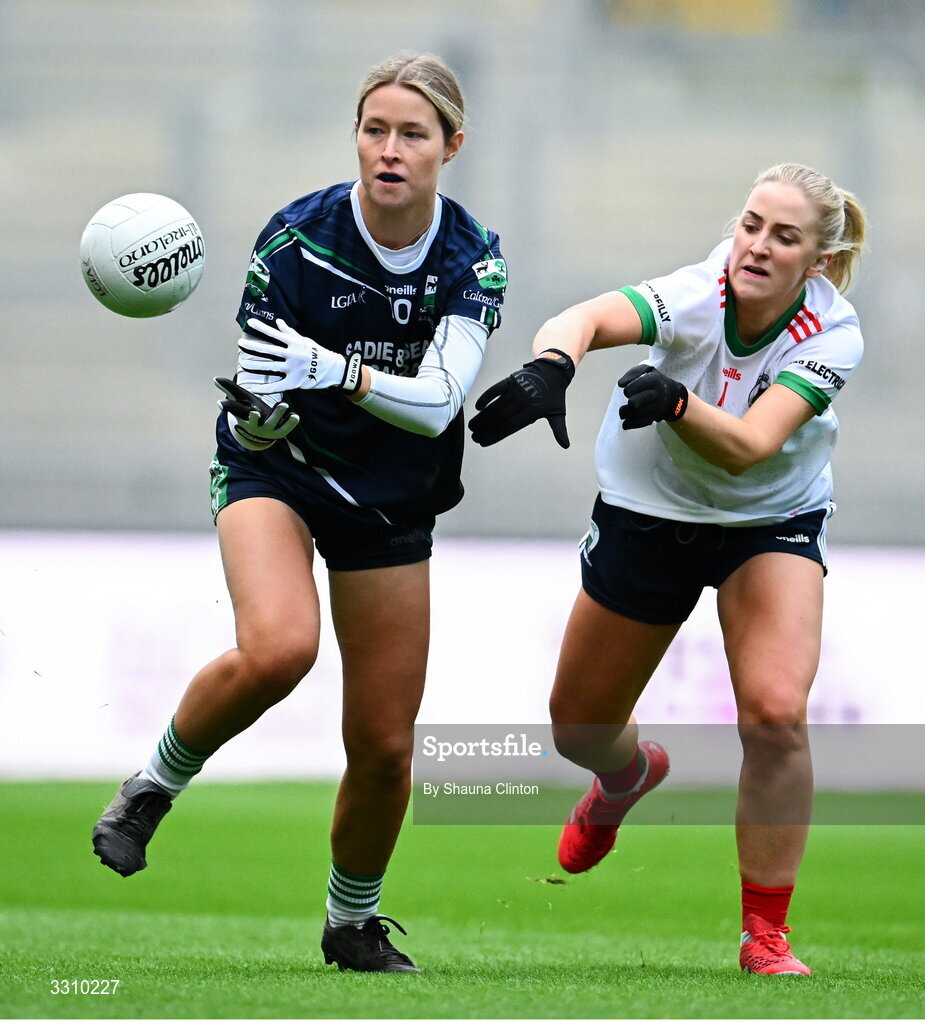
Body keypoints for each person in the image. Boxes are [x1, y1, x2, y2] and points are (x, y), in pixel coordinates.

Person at [92, 53, 507, 974]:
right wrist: (264, 406)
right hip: (278, 468)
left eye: (411, 134)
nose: (388, 150)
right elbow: (258, 383)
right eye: (374, 129)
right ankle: (152, 787)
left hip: (391, 494)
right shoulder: (295, 240)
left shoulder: (472, 256)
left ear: (451, 147)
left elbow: (441, 400)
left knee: (387, 745)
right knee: (280, 647)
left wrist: (337, 372)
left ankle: (350, 923)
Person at [469, 163, 866, 976]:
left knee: (775, 715)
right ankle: (624, 777)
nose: (755, 245)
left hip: (769, 520)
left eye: (782, 236)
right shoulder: (695, 293)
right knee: (578, 729)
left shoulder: (834, 333)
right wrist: (553, 366)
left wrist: (680, 405)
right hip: (648, 517)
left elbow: (751, 447)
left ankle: (765, 935)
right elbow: (581, 316)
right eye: (751, 223)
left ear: (815, 263)